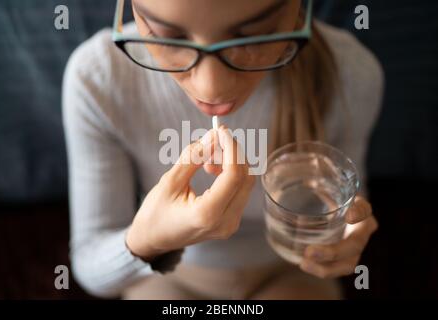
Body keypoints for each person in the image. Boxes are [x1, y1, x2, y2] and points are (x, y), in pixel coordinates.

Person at [62, 0, 382, 299]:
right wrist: (147, 241)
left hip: (293, 272)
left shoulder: (351, 74)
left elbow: (349, 202)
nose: (211, 88)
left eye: (254, 37)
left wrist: (348, 235)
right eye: (169, 37)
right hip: (165, 280)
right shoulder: (98, 79)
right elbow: (91, 268)